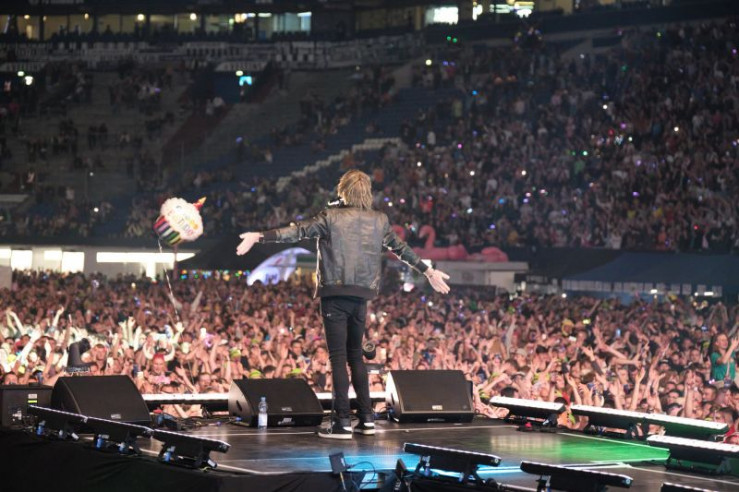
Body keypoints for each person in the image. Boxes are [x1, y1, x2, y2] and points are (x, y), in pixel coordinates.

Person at [236, 169, 451, 439]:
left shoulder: (331, 216)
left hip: (335, 293)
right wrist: (428, 271)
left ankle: (342, 423)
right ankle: (367, 419)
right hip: (362, 294)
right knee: (355, 356)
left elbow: (297, 231)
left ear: (343, 191)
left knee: (338, 357)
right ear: (367, 192)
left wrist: (259, 236)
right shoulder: (379, 219)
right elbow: (401, 248)